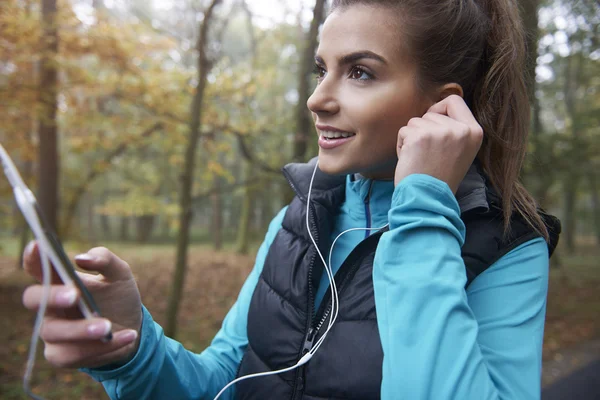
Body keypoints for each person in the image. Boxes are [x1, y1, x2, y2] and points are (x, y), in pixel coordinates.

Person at [21, 0, 562, 399]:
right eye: (320, 69)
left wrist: (422, 208)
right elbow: (222, 385)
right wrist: (133, 349)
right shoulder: (297, 219)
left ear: (442, 110)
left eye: (360, 72)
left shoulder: (507, 248)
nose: (317, 98)